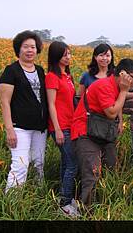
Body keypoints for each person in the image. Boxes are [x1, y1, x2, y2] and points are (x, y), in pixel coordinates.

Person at [71, 59, 133, 207]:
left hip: (100, 132)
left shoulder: (114, 85)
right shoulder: (105, 86)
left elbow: (118, 103)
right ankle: (85, 212)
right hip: (85, 133)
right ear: (122, 74)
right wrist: (124, 91)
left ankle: (103, 206)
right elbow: (111, 113)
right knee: (92, 173)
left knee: (111, 166)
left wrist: (126, 93)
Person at [0, 31, 48, 193]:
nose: (29, 50)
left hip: (40, 127)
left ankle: (36, 196)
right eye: (25, 46)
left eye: (33, 47)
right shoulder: (11, 71)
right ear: (18, 49)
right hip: (19, 127)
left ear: (37, 50)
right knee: (20, 164)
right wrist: (9, 130)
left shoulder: (40, 70)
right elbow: (4, 102)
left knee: (38, 163)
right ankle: (12, 203)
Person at [45, 41, 79, 217]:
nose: (68, 57)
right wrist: (57, 129)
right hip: (60, 126)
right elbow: (51, 104)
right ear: (56, 56)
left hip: (70, 124)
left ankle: (65, 197)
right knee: (73, 163)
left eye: (69, 54)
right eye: (65, 54)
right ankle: (65, 203)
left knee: (67, 162)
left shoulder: (67, 76)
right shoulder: (52, 76)